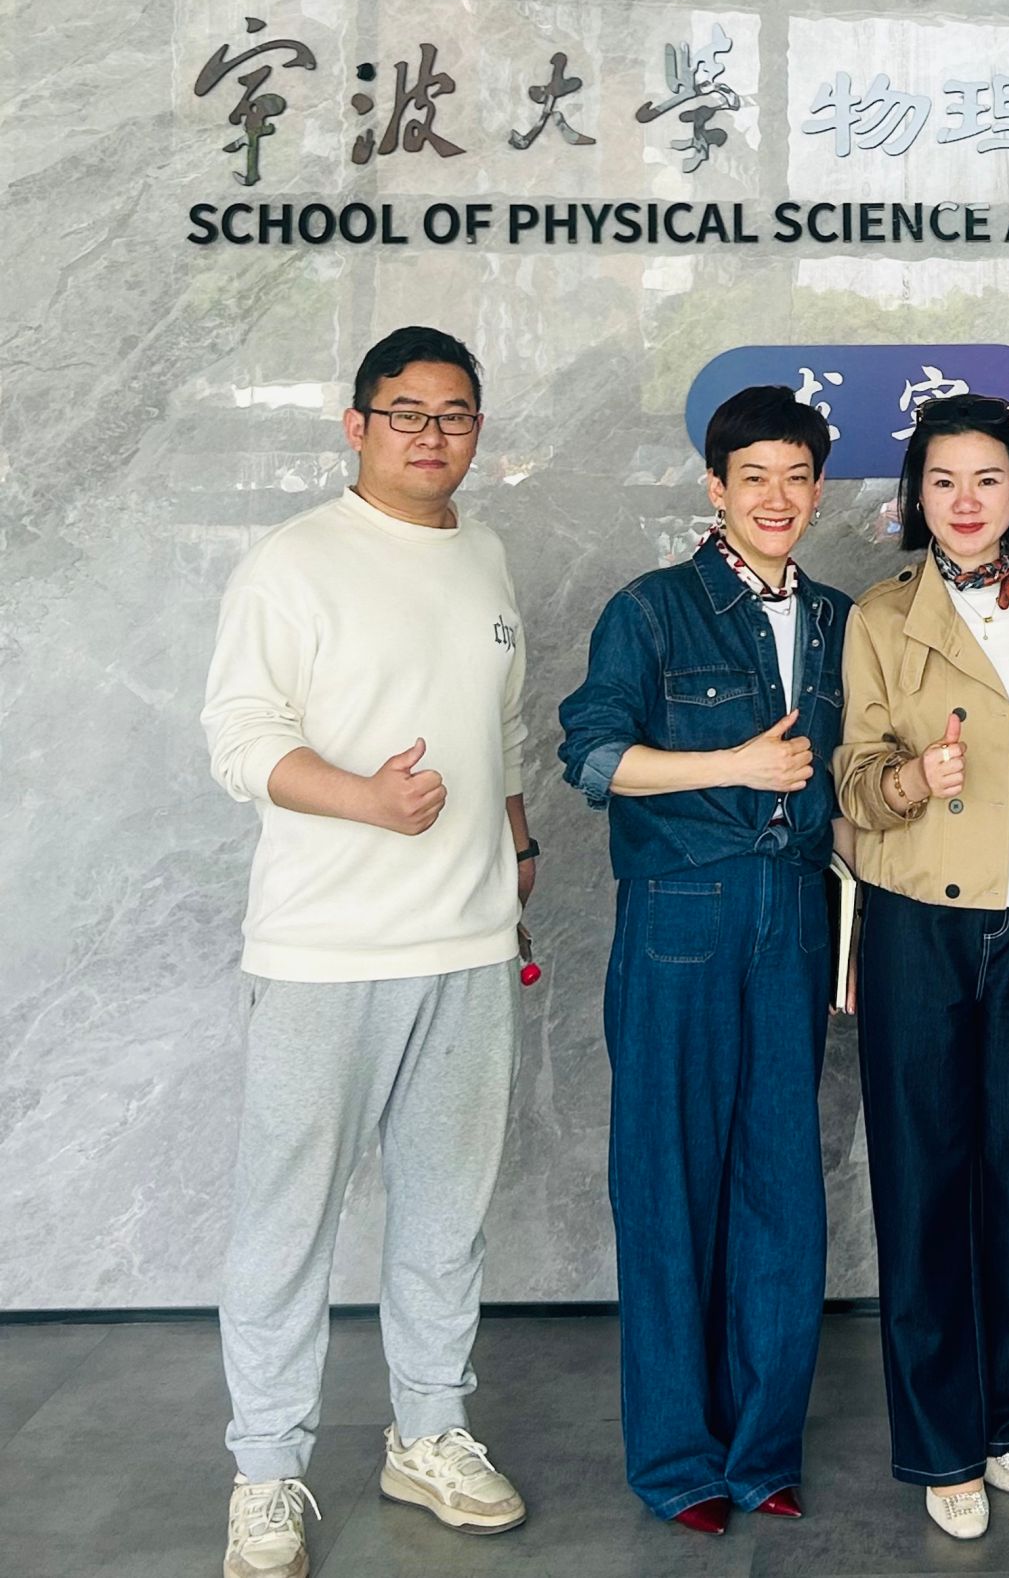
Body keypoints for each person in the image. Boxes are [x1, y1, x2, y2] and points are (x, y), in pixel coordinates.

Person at [202, 325, 534, 1578]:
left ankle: (428, 1435)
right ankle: (265, 1472)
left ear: (476, 432)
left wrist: (515, 846)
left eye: (454, 415)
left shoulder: (484, 554)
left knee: (445, 1216)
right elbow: (239, 737)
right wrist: (364, 800)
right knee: (286, 1223)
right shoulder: (293, 562)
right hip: (323, 950)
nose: (430, 434)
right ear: (356, 425)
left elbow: (501, 726)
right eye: (406, 412)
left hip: (467, 944)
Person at [558, 384, 846, 1535]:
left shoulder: (836, 619)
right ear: (714, 488)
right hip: (680, 915)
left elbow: (848, 777)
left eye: (795, 478)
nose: (775, 499)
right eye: (752, 478)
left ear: (817, 491)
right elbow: (592, 756)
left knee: (781, 1188)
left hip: (795, 912)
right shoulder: (652, 610)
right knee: (668, 1184)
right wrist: (730, 764)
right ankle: (679, 1462)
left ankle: (762, 1452)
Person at [834, 394, 1009, 1542]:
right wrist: (911, 780)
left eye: (986, 478)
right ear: (915, 496)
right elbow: (851, 779)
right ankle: (941, 1443)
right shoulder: (880, 618)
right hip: (918, 925)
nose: (965, 500)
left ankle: (1001, 1419)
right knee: (923, 1184)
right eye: (941, 480)